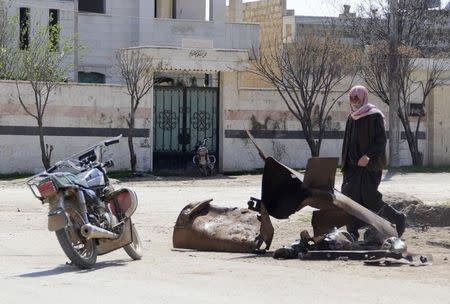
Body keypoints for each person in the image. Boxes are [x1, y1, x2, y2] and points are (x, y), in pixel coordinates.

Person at [341, 85, 406, 239]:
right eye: (352, 101)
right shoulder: (352, 117)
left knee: (370, 198)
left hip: (369, 166)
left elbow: (381, 140)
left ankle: (397, 217)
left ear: (364, 98)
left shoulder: (374, 115)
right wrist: (345, 164)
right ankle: (352, 231)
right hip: (352, 167)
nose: (355, 104)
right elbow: (347, 142)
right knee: (350, 198)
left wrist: (368, 156)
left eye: (357, 100)